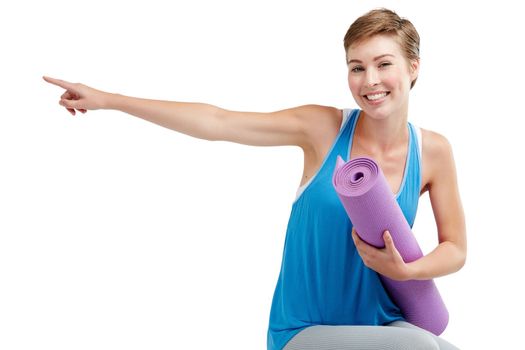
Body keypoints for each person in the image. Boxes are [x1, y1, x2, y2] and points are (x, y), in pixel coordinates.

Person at [44, 8, 466, 350]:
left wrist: (408, 272)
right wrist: (110, 100)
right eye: (357, 67)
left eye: (383, 64)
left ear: (413, 67)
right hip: (304, 331)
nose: (369, 81)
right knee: (422, 349)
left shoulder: (433, 151)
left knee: (445, 348)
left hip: (381, 323)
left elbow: (456, 248)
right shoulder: (322, 129)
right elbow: (218, 121)